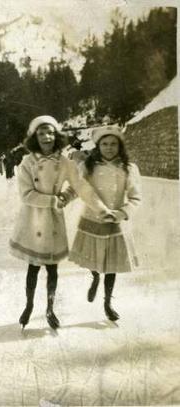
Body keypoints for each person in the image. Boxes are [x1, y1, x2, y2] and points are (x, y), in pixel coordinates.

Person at [9, 116, 113, 330]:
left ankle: (49, 307)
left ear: (56, 135)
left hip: (53, 222)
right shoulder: (27, 163)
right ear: (34, 138)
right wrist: (53, 200)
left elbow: (81, 186)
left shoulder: (65, 163)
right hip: (33, 219)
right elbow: (26, 194)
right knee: (33, 266)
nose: (46, 137)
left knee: (52, 267)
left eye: (50, 132)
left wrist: (96, 207)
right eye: (41, 133)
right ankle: (28, 305)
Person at [69, 126, 142, 321]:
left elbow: (136, 198)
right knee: (94, 258)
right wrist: (63, 197)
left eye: (113, 144)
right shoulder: (89, 166)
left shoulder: (128, 168)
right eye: (104, 144)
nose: (109, 148)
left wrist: (122, 213)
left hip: (114, 221)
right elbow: (77, 188)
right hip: (93, 219)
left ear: (120, 146)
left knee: (111, 265)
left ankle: (107, 301)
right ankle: (94, 276)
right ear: (98, 146)